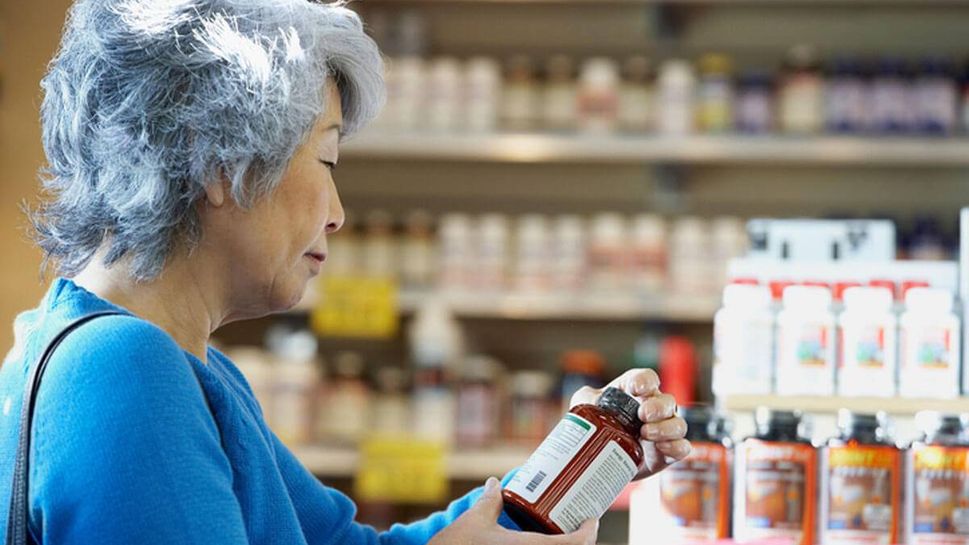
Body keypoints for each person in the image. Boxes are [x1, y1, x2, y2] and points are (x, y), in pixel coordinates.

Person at [0, 1, 692, 544]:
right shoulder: (124, 368)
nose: (336, 212)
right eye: (326, 161)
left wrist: (568, 463)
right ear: (218, 161)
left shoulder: (185, 367)